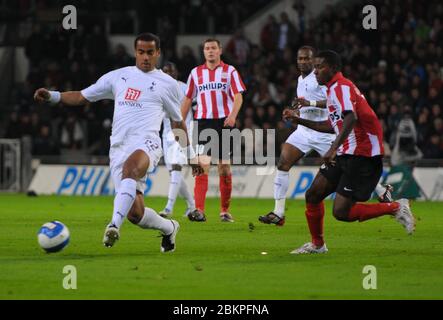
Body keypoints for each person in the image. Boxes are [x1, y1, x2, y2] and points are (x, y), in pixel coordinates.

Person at [34, 33, 202, 252]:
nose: (145, 57)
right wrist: (52, 96)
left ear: (158, 53)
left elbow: (177, 123)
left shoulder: (168, 84)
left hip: (147, 144)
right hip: (119, 147)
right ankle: (170, 227)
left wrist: (190, 155)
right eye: (141, 52)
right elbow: (83, 96)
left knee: (130, 170)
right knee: (136, 214)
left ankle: (113, 225)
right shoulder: (118, 77)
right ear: (135, 52)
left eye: (150, 52)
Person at [283, 50, 416, 254]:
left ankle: (396, 207)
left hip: (362, 154)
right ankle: (317, 245)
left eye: (320, 67)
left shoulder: (341, 87)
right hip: (347, 152)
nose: (315, 72)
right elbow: (332, 124)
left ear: (334, 69)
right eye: (315, 67)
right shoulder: (332, 89)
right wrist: (299, 120)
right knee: (313, 194)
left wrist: (333, 147)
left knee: (341, 212)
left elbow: (350, 118)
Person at [259, 46, 393, 227]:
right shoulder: (301, 79)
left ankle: (381, 190)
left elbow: (331, 103)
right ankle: (279, 212)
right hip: (305, 131)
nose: (303, 62)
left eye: (307, 59)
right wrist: (296, 111)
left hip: (326, 132)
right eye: (300, 59)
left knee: (346, 169)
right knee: (283, 162)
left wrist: (309, 102)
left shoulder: (325, 81)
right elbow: (308, 103)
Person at [181, 38, 246, 222]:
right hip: (204, 123)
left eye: (213, 48)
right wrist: (179, 120)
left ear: (220, 51)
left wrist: (233, 115)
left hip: (224, 122)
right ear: (204, 52)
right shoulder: (196, 73)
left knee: (224, 167)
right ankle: (199, 210)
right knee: (202, 166)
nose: (210, 51)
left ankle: (224, 211)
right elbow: (187, 99)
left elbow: (238, 95)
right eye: (207, 48)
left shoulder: (230, 71)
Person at [159, 62, 196, 218]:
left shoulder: (183, 87)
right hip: (166, 133)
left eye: (171, 71)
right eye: (165, 71)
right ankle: (192, 205)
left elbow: (194, 107)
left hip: (183, 129)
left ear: (176, 72)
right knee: (174, 172)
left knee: (176, 167)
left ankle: (168, 208)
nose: (168, 73)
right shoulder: (158, 88)